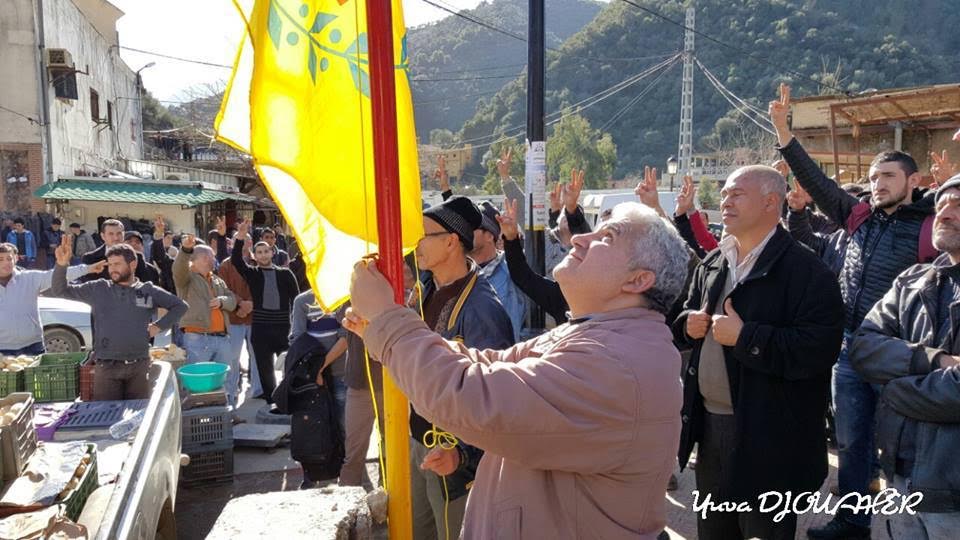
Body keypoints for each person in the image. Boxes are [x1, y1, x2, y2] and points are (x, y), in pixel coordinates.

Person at [344, 201, 689, 538]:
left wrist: (388, 321)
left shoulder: (616, 363)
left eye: (608, 237)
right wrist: (386, 333)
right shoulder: (591, 335)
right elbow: (488, 363)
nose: (581, 238)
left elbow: (471, 396)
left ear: (638, 280)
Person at [770, 84, 937, 540]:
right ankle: (852, 521)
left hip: (900, 357)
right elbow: (817, 183)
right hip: (849, 351)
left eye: (889, 177)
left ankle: (906, 524)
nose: (879, 183)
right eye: (875, 176)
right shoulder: (858, 216)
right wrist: (784, 134)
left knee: (898, 447)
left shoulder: (929, 227)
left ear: (913, 182)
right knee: (851, 442)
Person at [673, 165, 844, 540]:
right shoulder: (714, 262)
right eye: (724, 194)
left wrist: (747, 336)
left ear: (770, 202)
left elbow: (819, 349)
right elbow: (682, 315)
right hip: (711, 429)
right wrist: (688, 324)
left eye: (737, 194)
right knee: (713, 532)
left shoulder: (808, 272)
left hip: (771, 437)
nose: (725, 200)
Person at [398, 196, 516, 539]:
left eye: (424, 235)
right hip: (420, 438)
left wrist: (463, 455)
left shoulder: (482, 308)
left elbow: (495, 396)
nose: (415, 244)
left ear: (451, 241)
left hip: (453, 455)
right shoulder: (425, 288)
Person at [850, 174, 960, 539]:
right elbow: (864, 347)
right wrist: (932, 361)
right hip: (899, 476)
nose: (945, 213)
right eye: (942, 203)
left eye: (959, 205)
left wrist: (894, 391)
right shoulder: (912, 281)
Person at [50, 239, 186, 400]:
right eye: (111, 265)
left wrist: (158, 326)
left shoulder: (147, 290)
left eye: (118, 264)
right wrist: (61, 264)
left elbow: (180, 306)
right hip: (106, 367)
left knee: (138, 415)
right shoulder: (98, 288)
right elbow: (60, 290)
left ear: (133, 264)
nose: (113, 269)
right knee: (106, 415)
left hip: (139, 366)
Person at [231, 218, 299, 402]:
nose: (262, 255)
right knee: (265, 370)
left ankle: (290, 399)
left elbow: (297, 300)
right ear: (254, 255)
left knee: (290, 367)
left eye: (265, 251)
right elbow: (236, 261)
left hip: (283, 328)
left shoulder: (285, 274)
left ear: (272, 252)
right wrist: (241, 236)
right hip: (261, 328)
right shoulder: (253, 274)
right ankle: (273, 401)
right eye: (259, 252)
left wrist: (297, 327)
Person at [0, 242, 102, 355]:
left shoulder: (29, 278)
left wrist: (87, 269)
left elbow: (56, 275)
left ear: (15, 258)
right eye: (1, 259)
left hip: (33, 346)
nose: (6, 263)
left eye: (9, 258)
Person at [174, 234, 239, 406]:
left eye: (211, 256)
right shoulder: (186, 279)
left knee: (226, 379)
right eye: (207, 257)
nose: (212, 259)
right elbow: (178, 268)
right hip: (197, 337)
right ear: (193, 260)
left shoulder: (217, 279)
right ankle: (200, 413)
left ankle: (227, 412)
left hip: (221, 337)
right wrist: (186, 249)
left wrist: (222, 302)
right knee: (199, 382)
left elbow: (232, 301)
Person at [290, 289, 346, 430]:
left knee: (344, 424)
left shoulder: (344, 299)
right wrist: (314, 371)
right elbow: (299, 340)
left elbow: (346, 339)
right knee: (317, 425)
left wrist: (319, 368)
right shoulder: (302, 301)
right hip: (312, 376)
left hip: (340, 373)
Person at [218, 231, 259, 400]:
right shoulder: (226, 265)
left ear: (250, 243)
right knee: (232, 356)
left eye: (246, 241)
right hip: (233, 318)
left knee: (257, 356)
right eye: (239, 241)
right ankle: (231, 390)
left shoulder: (257, 262)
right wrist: (241, 304)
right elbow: (223, 289)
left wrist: (251, 304)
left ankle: (258, 390)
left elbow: (262, 289)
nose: (243, 244)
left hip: (254, 317)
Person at [80, 219, 160, 285]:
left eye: (119, 233)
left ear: (124, 234)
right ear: (103, 236)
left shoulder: (137, 256)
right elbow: (88, 287)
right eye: (111, 234)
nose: (116, 238)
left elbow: (144, 284)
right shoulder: (90, 258)